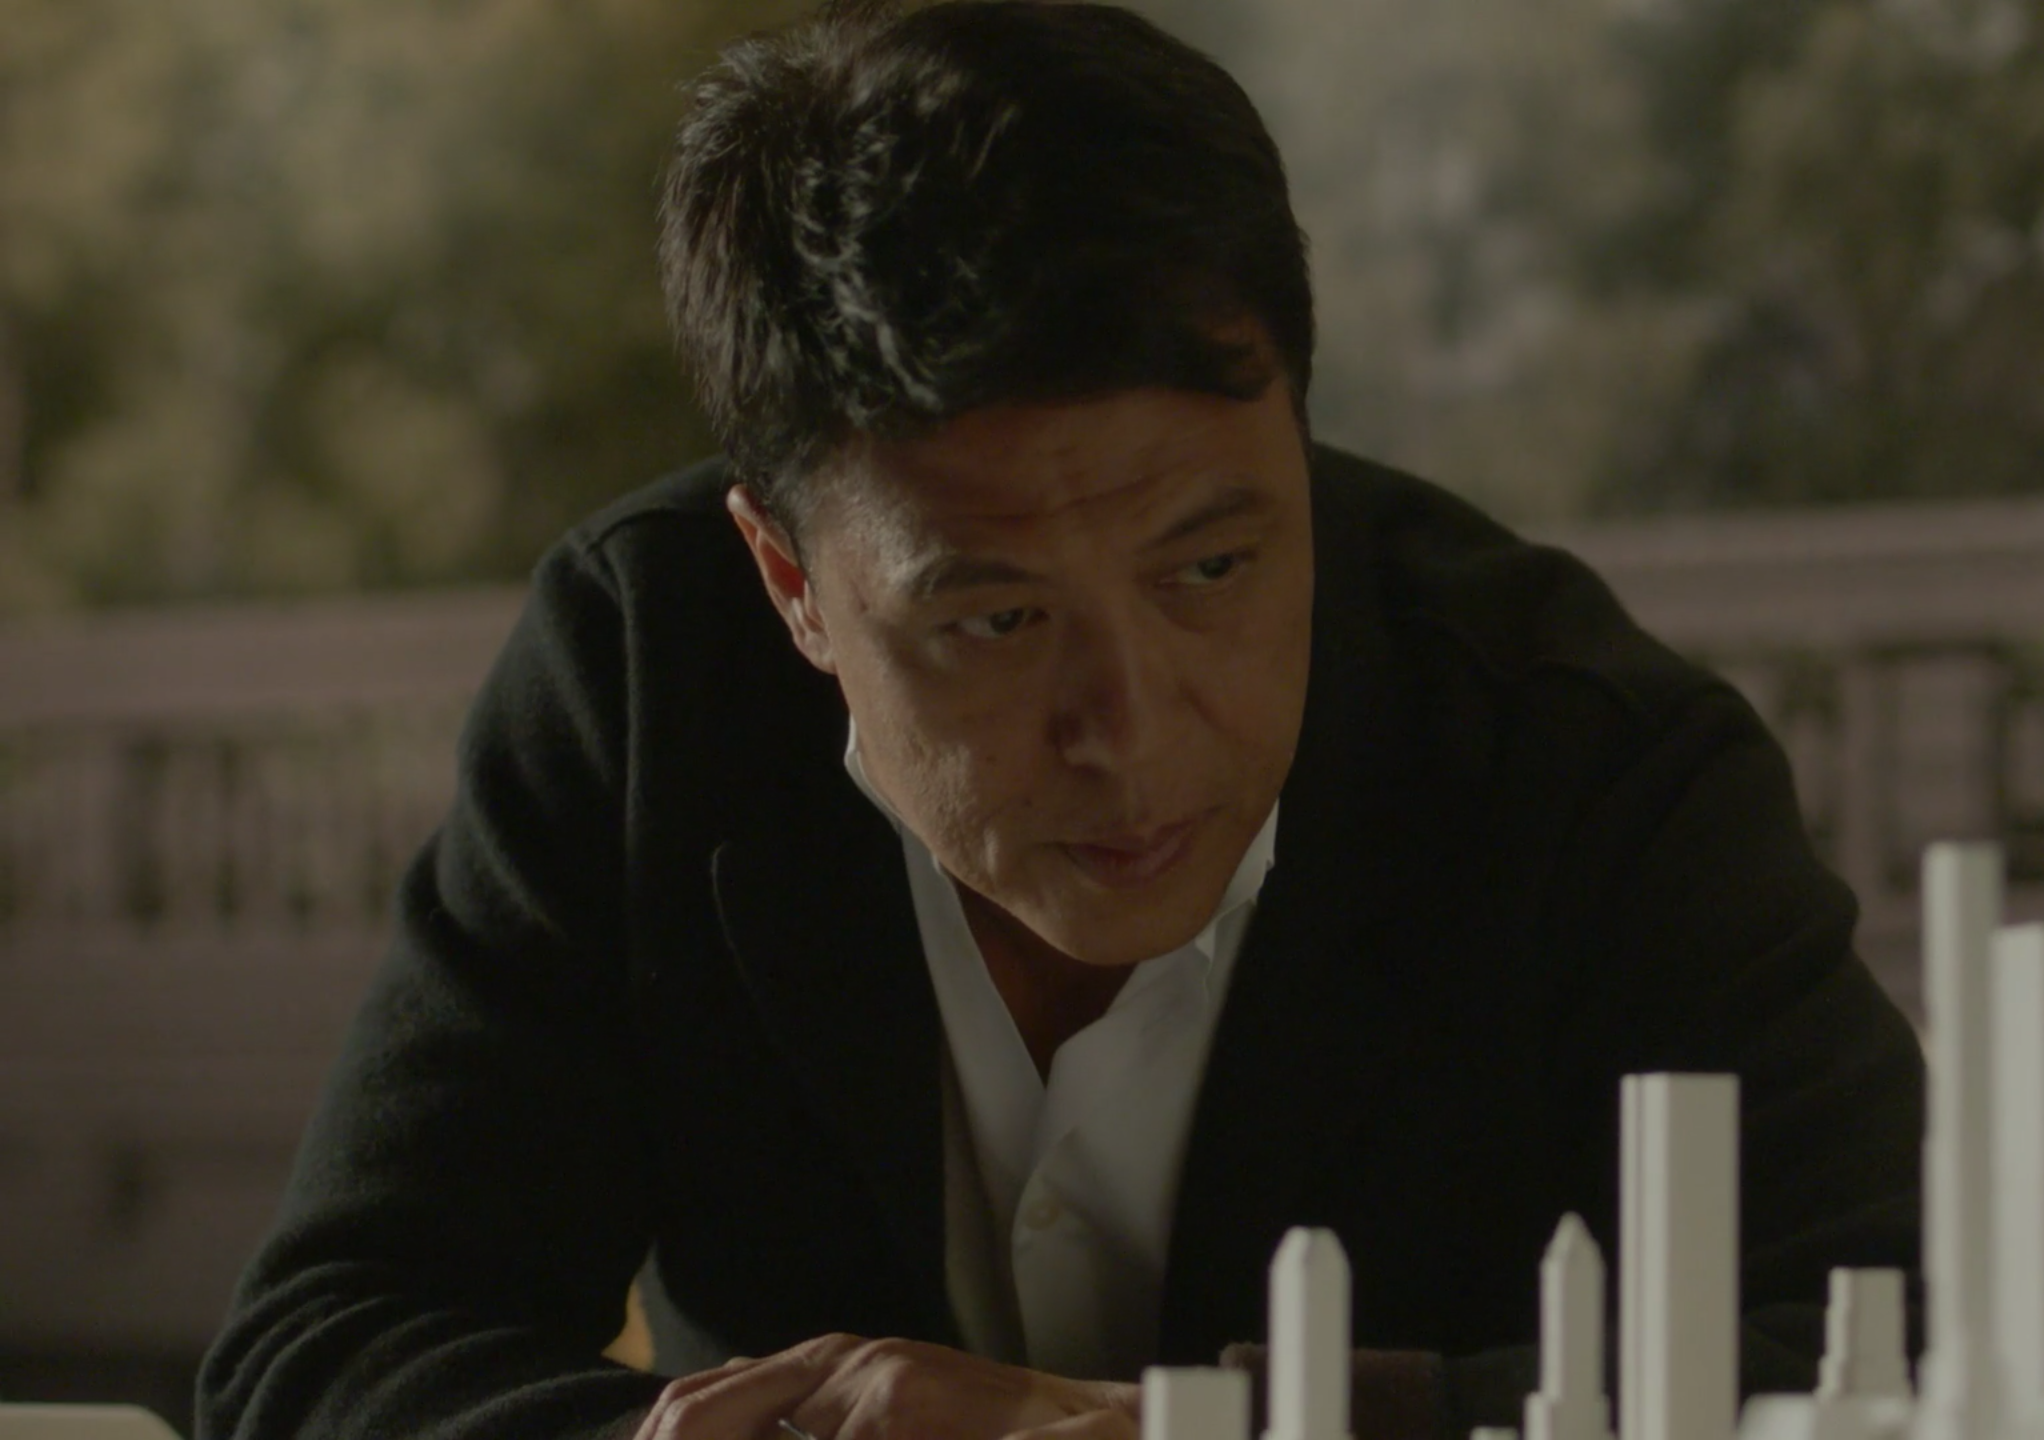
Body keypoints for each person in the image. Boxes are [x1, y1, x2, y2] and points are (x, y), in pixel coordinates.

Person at [194, 3, 1925, 1437]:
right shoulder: (646, 680)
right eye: (996, 621)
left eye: (1213, 567)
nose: (1133, 732)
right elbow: (327, 1349)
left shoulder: (1583, 754)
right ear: (793, 585)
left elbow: (1923, 1355)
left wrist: (1183, 1437)